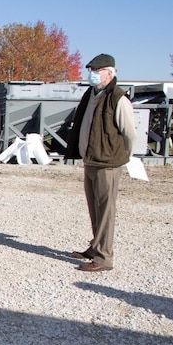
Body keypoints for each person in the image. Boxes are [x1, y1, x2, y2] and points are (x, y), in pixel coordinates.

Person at [64, 53, 137, 272]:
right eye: (91, 71)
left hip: (108, 163)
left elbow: (129, 134)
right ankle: (95, 247)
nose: (92, 75)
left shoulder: (118, 98)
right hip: (91, 160)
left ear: (109, 73)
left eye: (96, 71)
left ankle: (104, 257)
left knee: (106, 210)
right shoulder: (91, 94)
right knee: (94, 208)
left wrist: (124, 157)